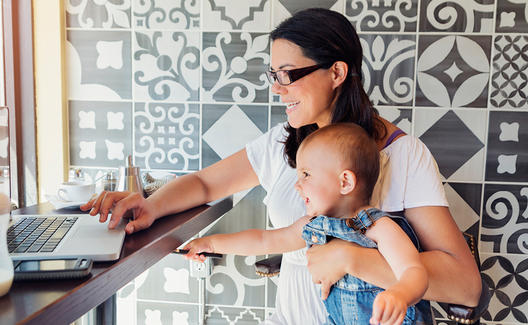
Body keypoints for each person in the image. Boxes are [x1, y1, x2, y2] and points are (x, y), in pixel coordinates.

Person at [81, 8, 481, 324]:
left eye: (288, 74)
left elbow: (465, 286)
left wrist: (350, 258)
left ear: (337, 72)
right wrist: (151, 206)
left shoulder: (403, 155)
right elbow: (204, 184)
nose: (276, 87)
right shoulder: (282, 143)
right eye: (275, 74)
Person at [182, 123, 431, 325]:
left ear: (344, 182)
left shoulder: (378, 227)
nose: (297, 184)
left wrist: (399, 294)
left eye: (306, 174)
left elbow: (414, 272)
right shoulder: (314, 224)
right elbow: (265, 240)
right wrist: (211, 243)